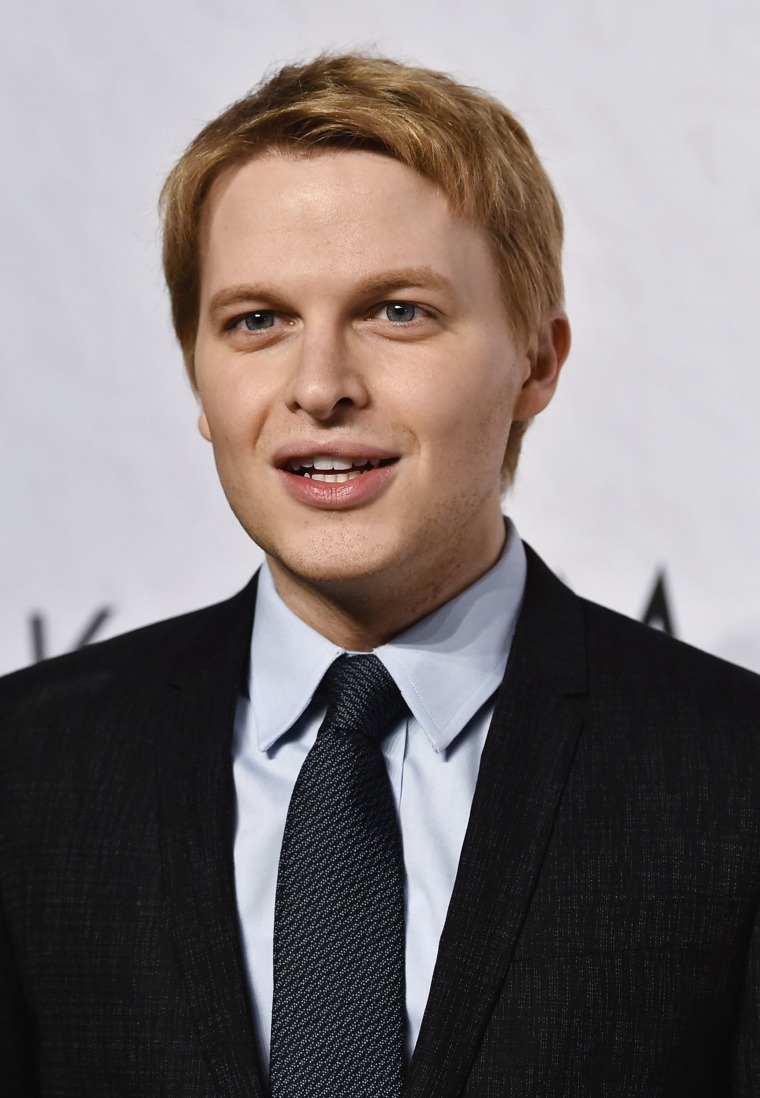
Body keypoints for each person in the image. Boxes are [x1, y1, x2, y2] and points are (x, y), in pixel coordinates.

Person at [2, 53, 760, 1098]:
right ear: (198, 376)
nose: (318, 387)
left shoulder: (732, 774)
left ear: (537, 362)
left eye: (397, 311)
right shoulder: (26, 767)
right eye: (257, 320)